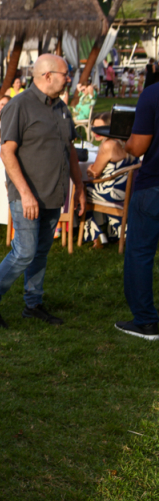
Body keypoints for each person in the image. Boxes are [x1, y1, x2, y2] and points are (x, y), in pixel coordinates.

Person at [0, 54, 86, 328]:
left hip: (53, 193)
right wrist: (25, 193)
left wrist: (80, 187)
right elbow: (6, 152)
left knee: (40, 252)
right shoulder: (20, 105)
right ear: (47, 76)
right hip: (27, 194)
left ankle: (33, 304)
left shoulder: (61, 108)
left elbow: (70, 150)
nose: (69, 78)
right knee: (24, 251)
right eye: (65, 73)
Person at [117, 81, 159, 340]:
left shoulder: (153, 94)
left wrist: (127, 142)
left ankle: (145, 322)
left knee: (140, 254)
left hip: (153, 185)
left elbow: (138, 146)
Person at [81, 137, 139, 248]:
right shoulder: (133, 142)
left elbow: (95, 173)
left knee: (80, 194)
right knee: (91, 188)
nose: (95, 133)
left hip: (112, 193)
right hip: (129, 190)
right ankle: (120, 233)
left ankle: (96, 234)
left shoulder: (109, 145)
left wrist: (89, 168)